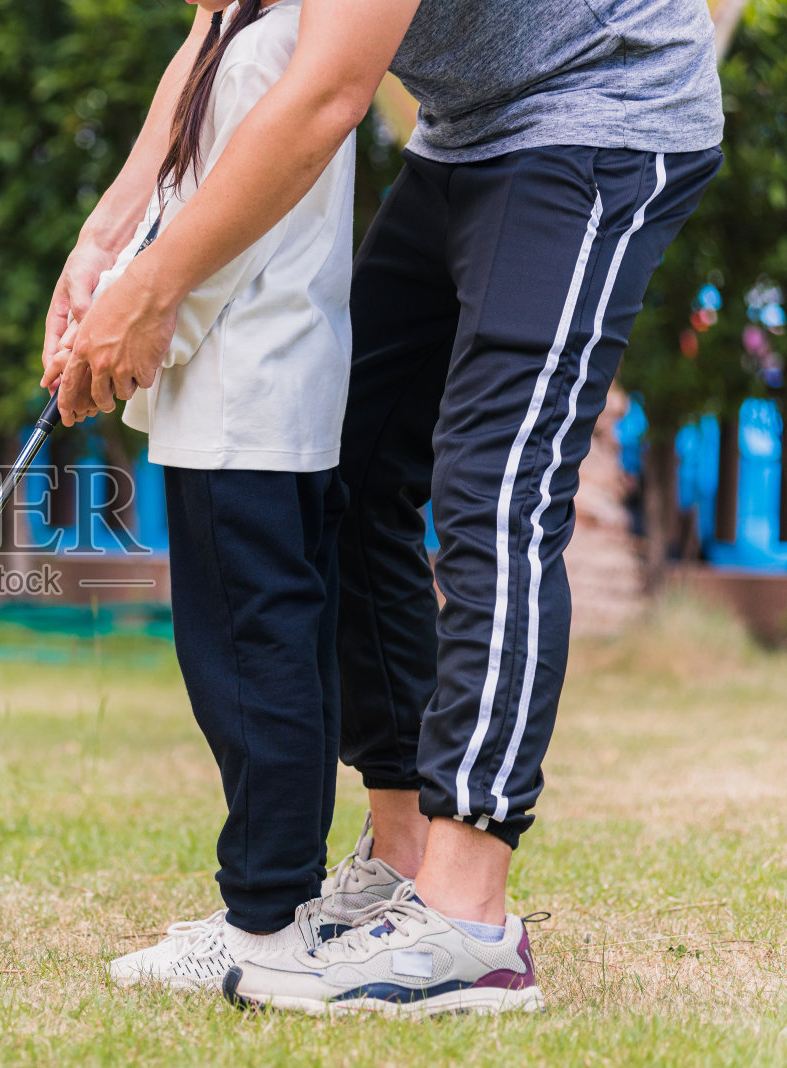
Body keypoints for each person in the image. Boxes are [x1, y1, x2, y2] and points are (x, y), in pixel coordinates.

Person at [48, 0, 722, 1015]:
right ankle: (401, 863)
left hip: (598, 109)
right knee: (353, 468)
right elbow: (218, 26)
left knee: (494, 489)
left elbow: (325, 96)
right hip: (465, 132)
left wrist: (154, 290)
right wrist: (108, 241)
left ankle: (467, 921)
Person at [43, 0, 407, 992]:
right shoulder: (265, 43)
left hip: (235, 411)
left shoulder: (257, 58)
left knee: (247, 675)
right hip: (284, 409)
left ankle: (262, 923)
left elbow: (201, 264)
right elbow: (169, 219)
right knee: (285, 658)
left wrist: (111, 349)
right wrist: (102, 287)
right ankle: (283, 903)